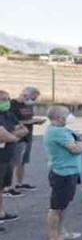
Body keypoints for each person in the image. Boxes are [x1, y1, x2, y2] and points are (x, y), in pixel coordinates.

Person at [43, 105, 82, 240]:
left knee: (63, 206)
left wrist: (79, 143)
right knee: (56, 207)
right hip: (62, 173)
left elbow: (77, 141)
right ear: (59, 117)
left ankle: (62, 232)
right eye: (67, 113)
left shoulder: (63, 130)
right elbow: (76, 148)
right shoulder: (57, 132)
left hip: (69, 172)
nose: (70, 115)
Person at [0, 90, 28, 232]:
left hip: (6, 156)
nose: (6, 102)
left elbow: (24, 130)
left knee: (2, 188)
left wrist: (9, 134)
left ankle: (1, 213)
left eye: (7, 99)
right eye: (3, 99)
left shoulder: (8, 114)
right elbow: (4, 136)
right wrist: (12, 135)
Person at [11, 86, 45, 193]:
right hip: (17, 137)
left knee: (22, 162)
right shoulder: (12, 104)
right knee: (12, 162)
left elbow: (28, 118)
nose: (33, 101)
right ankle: (8, 187)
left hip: (27, 137)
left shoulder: (28, 105)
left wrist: (34, 121)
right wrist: (32, 121)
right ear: (25, 95)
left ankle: (19, 184)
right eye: (33, 98)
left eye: (34, 99)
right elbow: (12, 122)